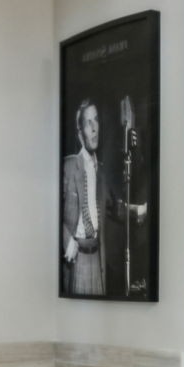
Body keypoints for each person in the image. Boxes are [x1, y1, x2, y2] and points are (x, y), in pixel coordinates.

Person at [62, 99, 114, 295]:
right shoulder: (68, 166)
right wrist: (67, 240)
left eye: (96, 120)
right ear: (80, 132)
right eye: (87, 123)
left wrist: (138, 210)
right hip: (77, 260)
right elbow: (50, 211)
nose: (94, 128)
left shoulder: (101, 173)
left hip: (97, 260)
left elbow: (114, 206)